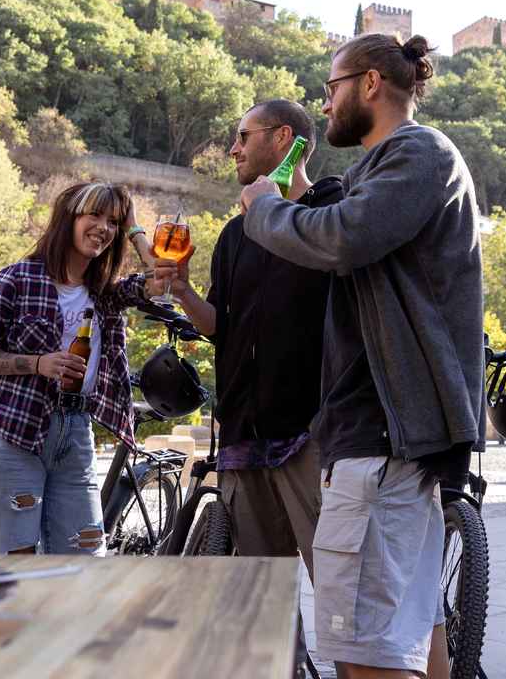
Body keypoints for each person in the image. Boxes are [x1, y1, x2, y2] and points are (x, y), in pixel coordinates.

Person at [239, 33, 485, 679]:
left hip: (382, 435)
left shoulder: (418, 152)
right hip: (383, 437)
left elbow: (343, 239)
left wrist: (262, 210)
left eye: (332, 89)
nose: (324, 107)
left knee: (365, 655)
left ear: (370, 83)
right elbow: (341, 223)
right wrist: (294, 200)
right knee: (412, 636)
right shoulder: (382, 168)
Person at [154, 99, 342, 659]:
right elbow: (222, 329)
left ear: (283, 138)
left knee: (341, 591)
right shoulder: (235, 235)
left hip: (312, 433)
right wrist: (184, 291)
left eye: (243, 136)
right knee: (264, 595)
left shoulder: (331, 212)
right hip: (243, 437)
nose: (232, 148)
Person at [0, 182, 160, 554]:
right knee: (15, 564)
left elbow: (162, 279)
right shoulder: (16, 279)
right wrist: (39, 364)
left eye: (113, 221)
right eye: (94, 215)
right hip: (17, 434)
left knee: (83, 560)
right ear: (69, 218)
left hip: (76, 435)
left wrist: (134, 228)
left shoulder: (105, 291)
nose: (104, 227)